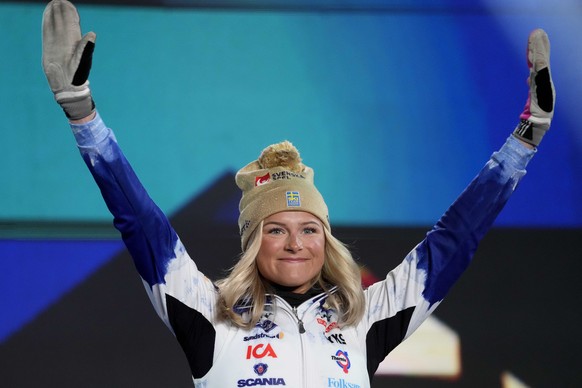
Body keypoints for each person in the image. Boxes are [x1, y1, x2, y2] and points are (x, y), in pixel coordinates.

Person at [41, 1, 555, 387]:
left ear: (326, 240)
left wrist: (524, 139)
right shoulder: (207, 313)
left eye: (310, 229)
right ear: (251, 242)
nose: (295, 243)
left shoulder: (364, 319)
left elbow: (456, 239)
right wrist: (83, 115)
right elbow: (141, 224)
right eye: (276, 230)